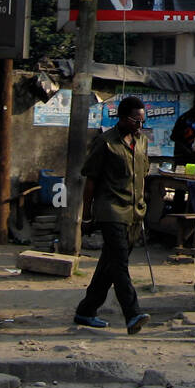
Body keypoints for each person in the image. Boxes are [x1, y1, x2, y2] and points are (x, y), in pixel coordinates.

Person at [75, 96, 150, 332]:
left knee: (108, 265)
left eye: (142, 121)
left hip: (134, 212)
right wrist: (86, 216)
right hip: (111, 211)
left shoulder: (142, 143)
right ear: (122, 118)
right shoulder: (105, 143)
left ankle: (86, 310)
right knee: (119, 264)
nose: (140, 126)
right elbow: (90, 182)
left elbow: (143, 175)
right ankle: (132, 314)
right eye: (136, 121)